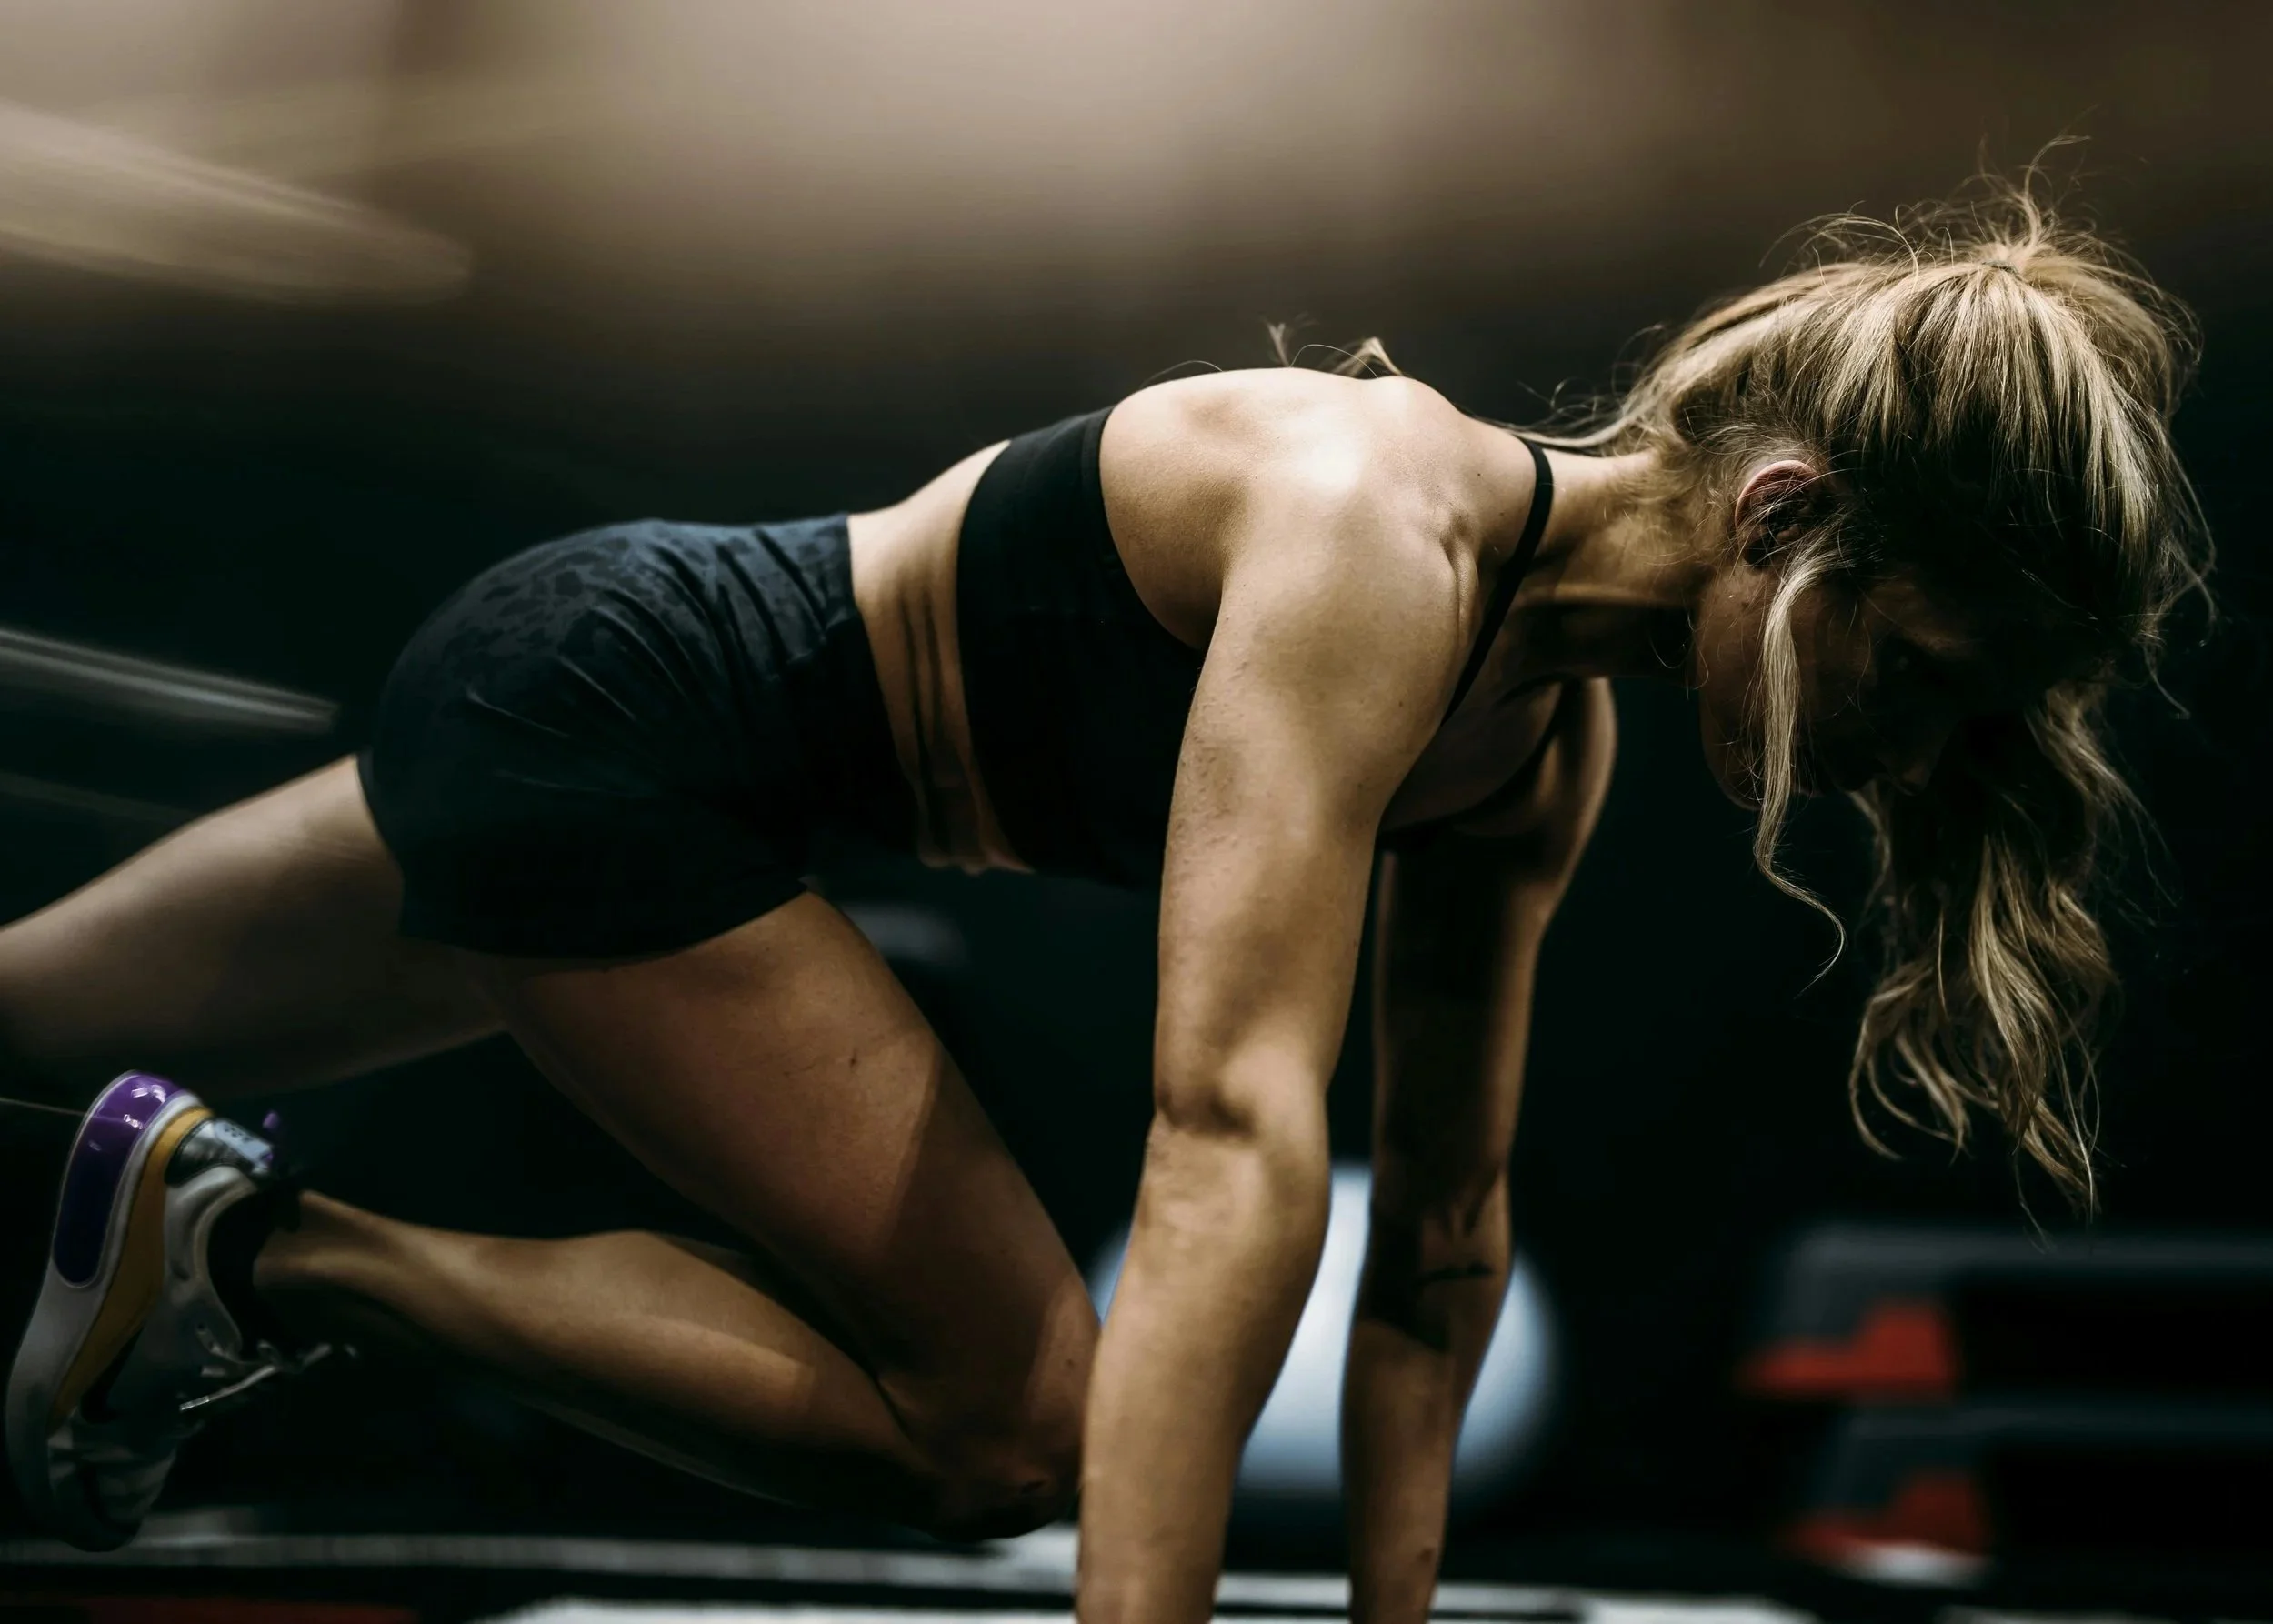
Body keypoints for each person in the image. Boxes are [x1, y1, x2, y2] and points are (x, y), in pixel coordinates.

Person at [1, 180, 2208, 1624]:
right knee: (1005, 1429)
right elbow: (1232, 1133)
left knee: (19, 1018)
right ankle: (268, 1244)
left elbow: (1435, 1239)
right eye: (1905, 672)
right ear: (1786, 511)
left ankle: (203, 1226)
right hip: (621, 715)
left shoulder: (1540, 743)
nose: (1898, 755)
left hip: (601, 715)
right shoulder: (1375, 525)